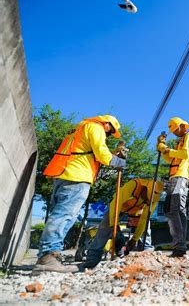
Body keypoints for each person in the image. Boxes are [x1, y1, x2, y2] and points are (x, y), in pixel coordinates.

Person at [34, 115, 126, 273]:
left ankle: (48, 256)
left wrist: (112, 155)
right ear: (107, 124)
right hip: (77, 177)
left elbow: (86, 152)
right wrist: (119, 162)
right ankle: (47, 258)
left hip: (63, 173)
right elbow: (102, 154)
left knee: (59, 215)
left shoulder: (79, 127)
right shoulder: (96, 127)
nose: (108, 135)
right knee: (64, 215)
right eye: (110, 132)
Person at [83, 178, 164, 268]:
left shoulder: (154, 200)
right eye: (148, 196)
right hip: (118, 206)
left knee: (146, 226)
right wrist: (115, 225)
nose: (148, 199)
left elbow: (144, 219)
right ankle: (93, 257)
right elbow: (116, 204)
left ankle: (146, 251)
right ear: (145, 188)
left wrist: (134, 239)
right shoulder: (133, 185)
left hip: (136, 210)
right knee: (105, 227)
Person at [157, 117, 189, 257]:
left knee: (175, 209)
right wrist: (163, 149)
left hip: (182, 175)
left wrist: (167, 148)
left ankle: (179, 246)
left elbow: (186, 154)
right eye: (172, 131)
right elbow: (170, 159)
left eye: (176, 129)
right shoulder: (180, 141)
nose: (174, 133)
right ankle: (179, 245)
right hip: (175, 176)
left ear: (182, 126)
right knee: (172, 210)